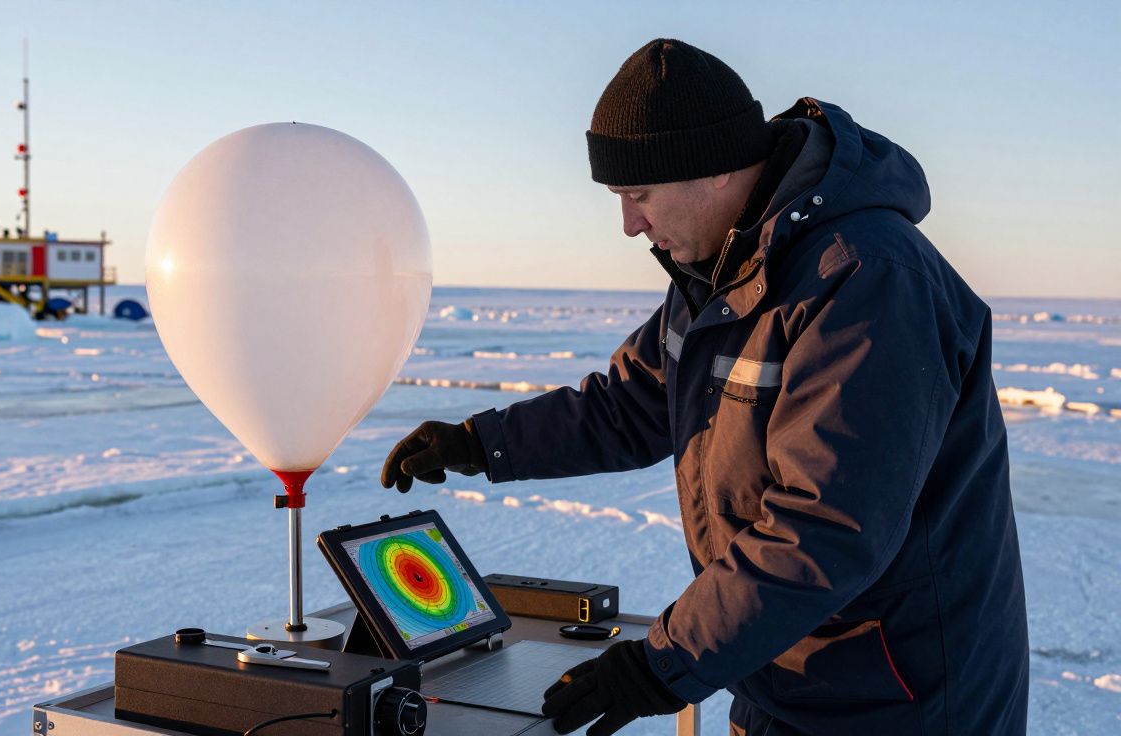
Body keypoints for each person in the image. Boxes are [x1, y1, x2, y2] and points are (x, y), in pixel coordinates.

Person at [381, 39, 1029, 736]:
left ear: (712, 170)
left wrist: (662, 662)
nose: (629, 223)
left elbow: (828, 526)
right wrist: (481, 443)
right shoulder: (724, 269)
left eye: (638, 195)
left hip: (899, 701)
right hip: (779, 671)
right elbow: (630, 404)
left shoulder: (867, 280)